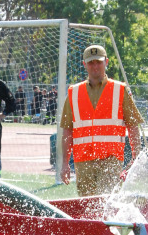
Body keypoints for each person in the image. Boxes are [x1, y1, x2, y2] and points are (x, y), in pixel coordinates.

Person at [60, 44, 143, 196]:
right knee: (87, 206)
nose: (95, 66)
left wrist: (135, 157)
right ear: (84, 64)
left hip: (110, 160)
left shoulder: (120, 89)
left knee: (106, 204)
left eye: (98, 61)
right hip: (83, 162)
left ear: (107, 62)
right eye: (91, 62)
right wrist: (65, 163)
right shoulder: (73, 92)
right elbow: (67, 131)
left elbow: (132, 126)